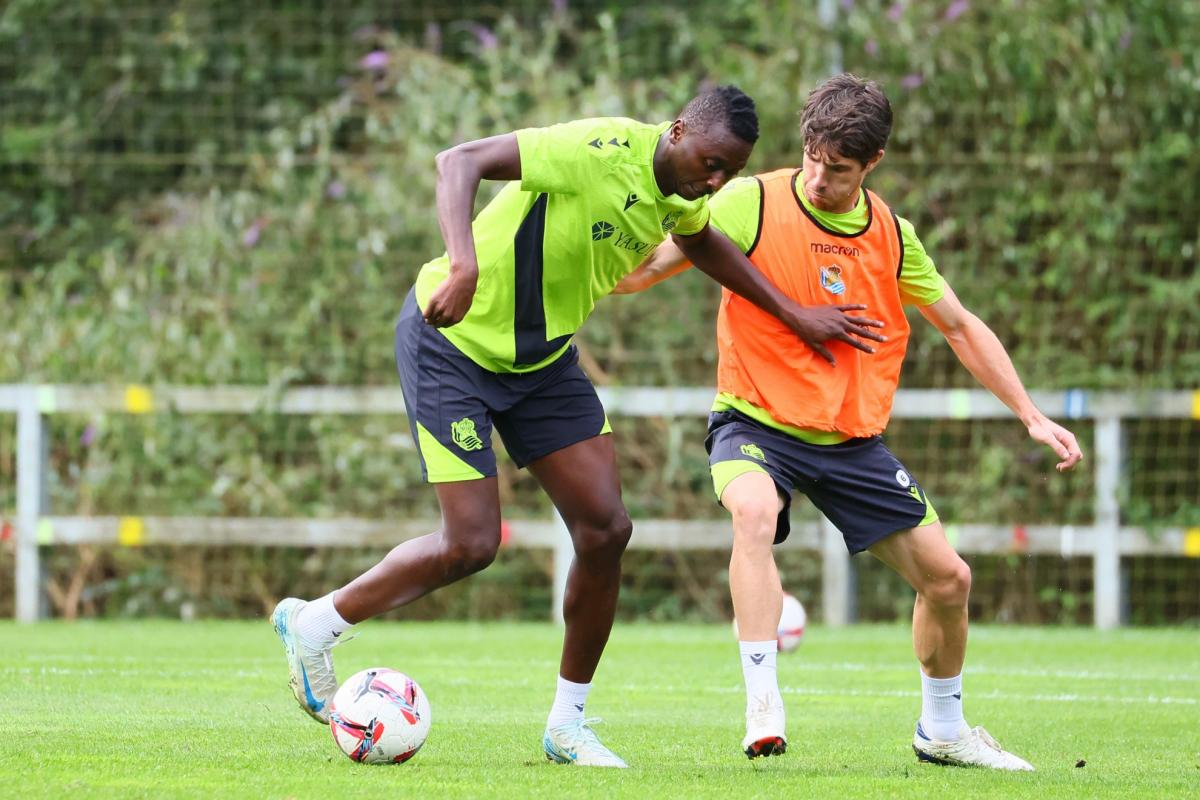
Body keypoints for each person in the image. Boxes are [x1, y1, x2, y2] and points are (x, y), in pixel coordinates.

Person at [271, 85, 886, 768]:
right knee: (471, 544)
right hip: (451, 344)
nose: (714, 182)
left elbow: (704, 242)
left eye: (729, 174)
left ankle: (567, 726)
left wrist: (794, 312)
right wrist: (464, 262)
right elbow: (458, 161)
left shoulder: (684, 191)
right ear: (679, 129)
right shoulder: (599, 150)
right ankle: (314, 623)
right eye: (711, 163)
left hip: (541, 363)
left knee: (606, 530)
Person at [614, 74, 1083, 769]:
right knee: (751, 513)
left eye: (837, 169)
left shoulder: (891, 236)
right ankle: (763, 700)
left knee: (949, 580)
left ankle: (943, 731)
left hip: (848, 441)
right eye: (811, 157)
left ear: (872, 165)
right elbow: (645, 270)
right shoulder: (755, 202)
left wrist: (1031, 414)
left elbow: (958, 326)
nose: (817, 177)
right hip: (755, 420)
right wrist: (599, 246)